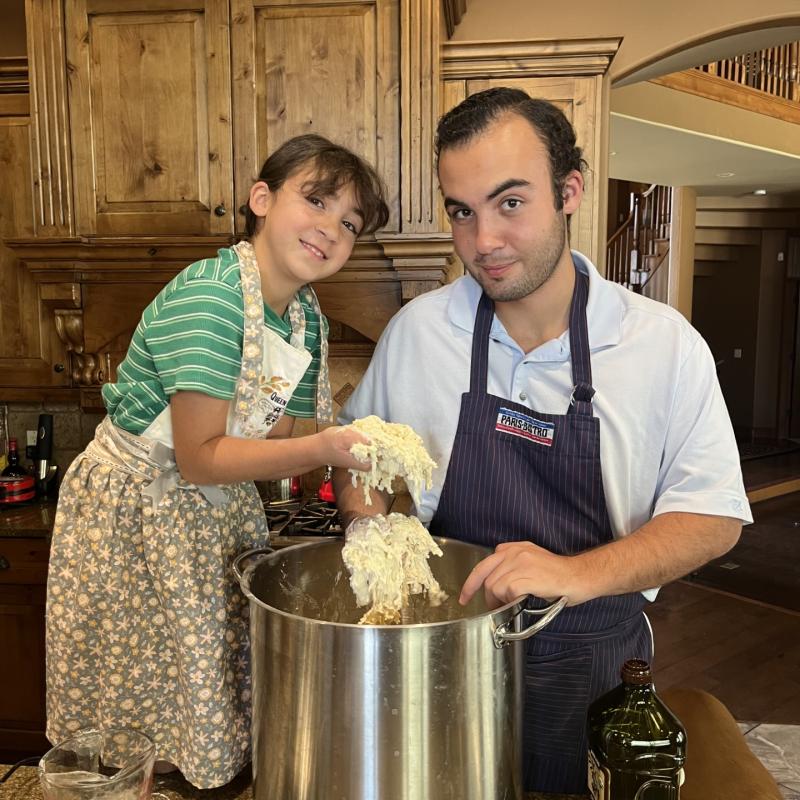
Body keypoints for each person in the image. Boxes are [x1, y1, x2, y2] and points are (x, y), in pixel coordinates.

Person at [333, 88, 752, 794]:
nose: (483, 242)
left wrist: (574, 572)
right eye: (461, 211)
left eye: (511, 203)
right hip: (444, 653)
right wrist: (373, 532)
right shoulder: (418, 333)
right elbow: (360, 459)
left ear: (570, 191)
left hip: (589, 668)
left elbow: (714, 517)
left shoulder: (661, 346)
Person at [45, 134, 389, 789]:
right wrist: (322, 446)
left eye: (349, 223)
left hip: (209, 506)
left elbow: (275, 423)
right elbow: (201, 456)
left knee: (204, 682)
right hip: (134, 509)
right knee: (142, 695)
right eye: (315, 200)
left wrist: (353, 435)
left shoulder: (304, 317)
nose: (330, 229)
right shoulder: (212, 298)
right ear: (262, 199)